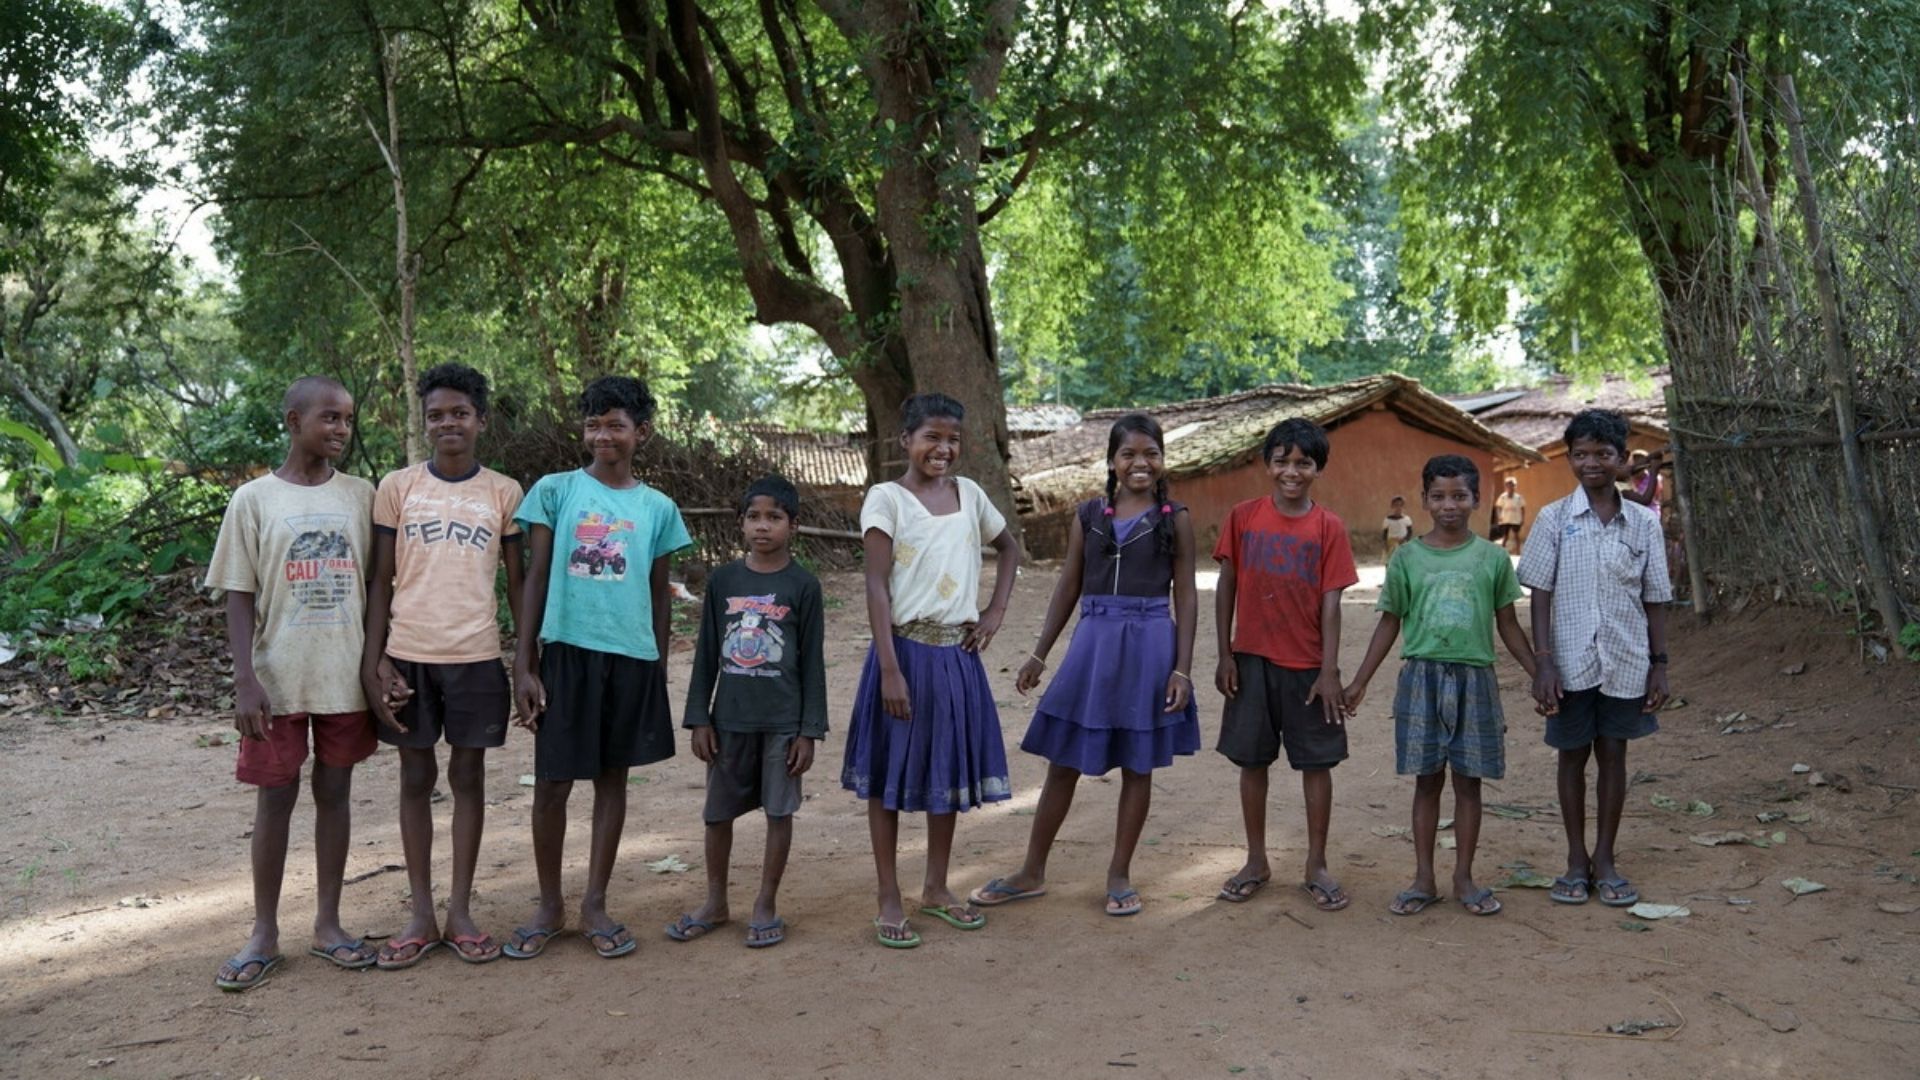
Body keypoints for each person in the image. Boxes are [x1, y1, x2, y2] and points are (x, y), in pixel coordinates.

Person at [970, 414, 1200, 918]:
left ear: (1162, 461)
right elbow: (1068, 586)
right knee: (1064, 760)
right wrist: (1039, 653)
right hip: (1093, 644)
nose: (1140, 463)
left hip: (1150, 646)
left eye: (1150, 454)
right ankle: (1032, 870)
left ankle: (1119, 875)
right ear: (1112, 462)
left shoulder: (1174, 516)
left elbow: (1185, 593)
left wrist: (1182, 668)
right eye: (1128, 454)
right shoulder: (1088, 515)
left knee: (1138, 765)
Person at [505, 375, 693, 960]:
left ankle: (594, 904)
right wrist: (524, 660)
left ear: (642, 432)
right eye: (593, 424)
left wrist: (657, 668)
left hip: (631, 657)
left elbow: (660, 594)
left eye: (616, 424)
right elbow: (534, 576)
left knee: (612, 779)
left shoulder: (657, 508)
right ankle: (548, 905)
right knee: (553, 783)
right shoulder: (556, 492)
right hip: (566, 653)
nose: (602, 435)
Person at [205, 376, 377, 991]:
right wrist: (245, 678)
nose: (340, 430)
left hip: (343, 675)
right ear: (292, 420)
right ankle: (264, 934)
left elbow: (378, 586)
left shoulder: (363, 495)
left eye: (348, 421)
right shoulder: (253, 500)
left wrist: (378, 664)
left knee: (335, 793)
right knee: (275, 799)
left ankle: (329, 925)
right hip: (277, 679)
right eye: (328, 418)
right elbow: (238, 593)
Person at [360, 363, 525, 968]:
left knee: (469, 778)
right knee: (414, 778)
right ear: (424, 423)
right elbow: (380, 580)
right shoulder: (397, 488)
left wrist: (523, 658)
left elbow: (518, 585)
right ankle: (421, 914)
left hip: (476, 658)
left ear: (481, 420)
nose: (447, 423)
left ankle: (460, 911)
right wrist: (374, 660)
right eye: (436, 414)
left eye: (459, 412)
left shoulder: (504, 493)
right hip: (409, 656)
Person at [843, 393, 1021, 948]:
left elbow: (1010, 550)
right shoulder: (886, 499)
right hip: (902, 654)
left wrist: (993, 612)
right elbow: (876, 584)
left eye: (952, 440)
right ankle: (889, 896)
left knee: (946, 770)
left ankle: (937, 888)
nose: (942, 449)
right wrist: (891, 670)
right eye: (931, 438)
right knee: (890, 775)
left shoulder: (970, 495)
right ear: (905, 441)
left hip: (956, 658)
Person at [1341, 455, 1539, 917]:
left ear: (1475, 500)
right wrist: (1360, 681)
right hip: (1421, 678)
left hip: (1475, 679)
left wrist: (1538, 673)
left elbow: (1508, 624)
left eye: (1459, 496)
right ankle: (1423, 877)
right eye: (1438, 496)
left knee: (1469, 783)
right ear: (1425, 500)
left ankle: (1464, 877)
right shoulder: (1408, 557)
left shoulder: (1492, 558)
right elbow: (1389, 622)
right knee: (1426, 781)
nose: (1449, 505)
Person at [1520, 409, 1672, 908]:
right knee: (1571, 757)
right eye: (1580, 454)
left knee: (1613, 756)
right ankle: (1574, 859)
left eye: (1603, 454)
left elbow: (1654, 597)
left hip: (1626, 661)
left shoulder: (1643, 524)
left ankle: (1605, 859)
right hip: (1569, 662)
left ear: (1622, 460)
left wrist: (1660, 663)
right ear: (1569, 459)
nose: (1591, 463)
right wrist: (1544, 661)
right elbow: (1539, 593)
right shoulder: (1553, 519)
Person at [671, 475, 826, 949]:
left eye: (774, 518)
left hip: (783, 724)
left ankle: (765, 903)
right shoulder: (723, 581)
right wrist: (700, 717)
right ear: (741, 523)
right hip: (729, 721)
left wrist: (809, 731)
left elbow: (812, 661)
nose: (763, 527)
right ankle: (715, 902)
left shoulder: (803, 585)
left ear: (792, 526)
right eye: (754, 517)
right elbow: (706, 655)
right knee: (717, 815)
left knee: (779, 813)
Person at [1213, 417, 1359, 912]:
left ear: (1318, 468)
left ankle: (1316, 864)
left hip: (1307, 669)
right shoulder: (1243, 516)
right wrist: (1224, 653)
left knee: (1316, 763)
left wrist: (1329, 669)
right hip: (1250, 661)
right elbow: (1226, 586)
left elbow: (1332, 603)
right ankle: (1256, 860)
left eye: (1303, 463)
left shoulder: (1329, 527)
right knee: (1252, 761)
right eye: (1282, 461)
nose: (1292, 471)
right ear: (1267, 463)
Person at [1621, 449, 1663, 518]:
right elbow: (1645, 500)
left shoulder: (1623, 478)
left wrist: (1649, 457)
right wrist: (1653, 472)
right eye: (1626, 464)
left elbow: (1635, 467)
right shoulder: (1621, 489)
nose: (1630, 467)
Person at [1490, 477, 1526, 554]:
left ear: (1515, 486)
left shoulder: (1518, 498)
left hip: (1515, 519)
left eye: (1512, 485)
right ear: (1506, 487)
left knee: (1516, 536)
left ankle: (1518, 552)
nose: (1510, 487)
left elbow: (1522, 508)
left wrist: (1522, 518)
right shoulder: (1503, 497)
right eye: (1508, 485)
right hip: (1505, 519)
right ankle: (1501, 552)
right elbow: (1498, 507)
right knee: (1505, 537)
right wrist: (1499, 516)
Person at [1382, 495, 1414, 560]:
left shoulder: (1406, 519)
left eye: (1400, 505)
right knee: (1390, 561)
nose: (1398, 507)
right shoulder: (1387, 520)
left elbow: (1410, 532)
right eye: (1396, 505)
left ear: (1403, 507)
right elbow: (1384, 533)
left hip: (1403, 544)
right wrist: (1385, 544)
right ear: (1392, 506)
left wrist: (1405, 540)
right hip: (1391, 544)